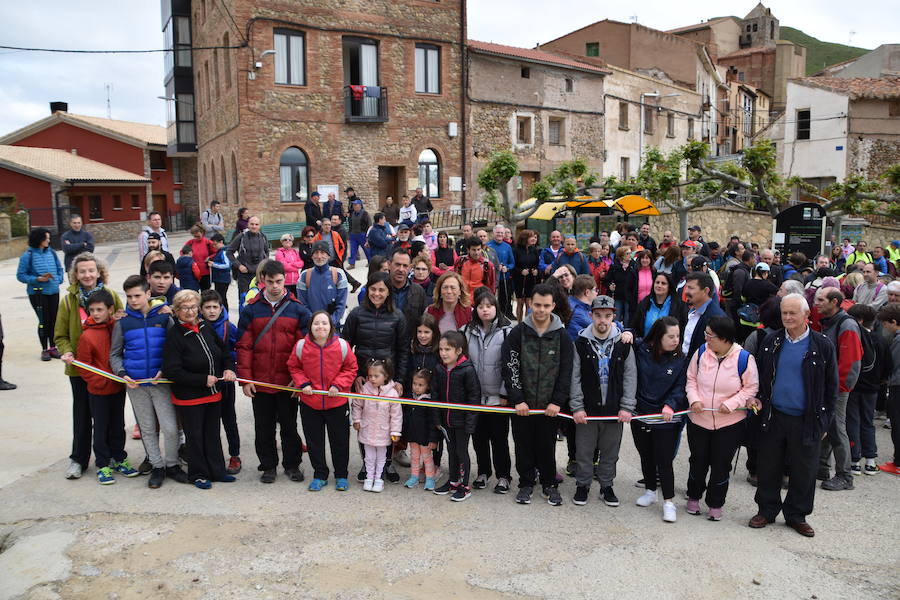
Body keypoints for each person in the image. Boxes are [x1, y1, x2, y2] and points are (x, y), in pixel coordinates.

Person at [750, 293, 838, 537]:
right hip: (774, 416)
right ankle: (766, 510)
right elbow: (759, 377)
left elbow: (832, 388)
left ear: (807, 315)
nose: (787, 318)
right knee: (768, 467)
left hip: (807, 419)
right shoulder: (771, 341)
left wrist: (825, 422)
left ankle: (797, 515)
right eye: (784, 313)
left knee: (804, 471)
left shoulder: (822, 345)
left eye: (792, 313)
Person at [236, 260, 310, 484]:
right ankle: (268, 466)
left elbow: (303, 349)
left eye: (279, 281)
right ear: (262, 281)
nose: (275, 286)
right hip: (260, 381)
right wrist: (245, 380)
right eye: (271, 282)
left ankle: (292, 464)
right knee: (263, 427)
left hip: (287, 382)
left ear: (285, 280)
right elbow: (243, 346)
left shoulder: (298, 310)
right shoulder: (251, 310)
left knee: (289, 426)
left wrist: (299, 380)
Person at [501, 283, 574, 507]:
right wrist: (518, 398)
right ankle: (526, 483)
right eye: (537, 305)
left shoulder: (562, 337)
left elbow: (566, 371)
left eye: (545, 305)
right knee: (523, 445)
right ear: (530, 304)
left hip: (548, 407)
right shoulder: (517, 333)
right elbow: (510, 367)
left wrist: (557, 402)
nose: (540, 310)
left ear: (553, 306)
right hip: (523, 405)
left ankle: (549, 483)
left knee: (547, 445)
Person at [109, 275, 185, 489]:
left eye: (138, 295)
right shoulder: (123, 322)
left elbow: (174, 347)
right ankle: (157, 465)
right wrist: (122, 373)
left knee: (170, 427)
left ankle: (172, 464)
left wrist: (165, 369)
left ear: (148, 294)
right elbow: (115, 354)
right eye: (129, 296)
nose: (133, 300)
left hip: (161, 382)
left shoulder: (162, 317)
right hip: (136, 384)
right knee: (147, 428)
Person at [55, 253, 126, 479]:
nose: (87, 275)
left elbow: (123, 326)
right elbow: (60, 335)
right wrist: (66, 351)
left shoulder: (112, 296)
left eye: (91, 270)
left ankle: (112, 456)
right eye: (82, 271)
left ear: (99, 272)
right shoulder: (68, 301)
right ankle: (79, 459)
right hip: (80, 368)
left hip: (110, 371)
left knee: (111, 417)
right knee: (83, 415)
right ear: (75, 275)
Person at [684, 316, 759, 521]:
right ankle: (693, 497)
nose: (707, 338)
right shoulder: (701, 353)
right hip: (699, 419)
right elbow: (691, 378)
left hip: (729, 423)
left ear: (725, 338)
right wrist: (694, 399)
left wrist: (732, 403)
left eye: (711, 335)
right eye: (706, 334)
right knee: (697, 461)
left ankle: (716, 503)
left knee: (721, 464)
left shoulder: (744, 358)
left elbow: (751, 387)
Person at [162, 290, 237, 489]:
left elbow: (224, 353)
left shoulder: (206, 327)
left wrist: (229, 368)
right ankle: (199, 474)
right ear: (176, 311)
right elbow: (172, 371)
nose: (190, 311)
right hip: (190, 398)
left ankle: (218, 471)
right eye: (184, 308)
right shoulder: (175, 336)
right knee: (195, 437)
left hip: (213, 395)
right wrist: (202, 379)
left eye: (193, 307)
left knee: (212, 434)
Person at [570, 295, 637, 508]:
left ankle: (607, 485)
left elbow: (630, 376)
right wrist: (577, 406)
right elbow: (575, 377)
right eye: (598, 315)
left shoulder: (624, 344)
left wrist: (627, 406)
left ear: (614, 317)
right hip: (587, 411)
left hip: (613, 410)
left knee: (610, 452)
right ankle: (583, 484)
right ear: (591, 316)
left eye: (607, 316)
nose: (603, 321)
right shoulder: (580, 343)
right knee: (584, 451)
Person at [287, 310, 358, 492]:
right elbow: (293, 366)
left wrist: (338, 385)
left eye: (324, 323)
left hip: (337, 402)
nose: (320, 327)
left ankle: (341, 475)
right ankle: (320, 474)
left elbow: (351, 368)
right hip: (311, 403)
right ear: (310, 326)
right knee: (314, 441)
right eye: (316, 323)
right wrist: (303, 383)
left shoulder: (342, 345)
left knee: (340, 441)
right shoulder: (302, 346)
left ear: (331, 326)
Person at [75, 289, 138, 484]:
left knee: (118, 426)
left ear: (110, 309)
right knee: (101, 428)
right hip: (98, 391)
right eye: (92, 310)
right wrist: (100, 382)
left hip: (118, 389)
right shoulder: (87, 336)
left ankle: (119, 458)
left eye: (100, 309)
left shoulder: (117, 328)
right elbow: (84, 367)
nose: (95, 313)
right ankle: (102, 464)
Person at [631, 316, 687, 522]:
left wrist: (671, 404)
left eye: (678, 336)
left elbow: (681, 387)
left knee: (664, 460)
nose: (675, 340)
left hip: (666, 417)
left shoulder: (681, 359)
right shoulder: (641, 349)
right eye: (670, 336)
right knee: (645, 454)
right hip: (641, 413)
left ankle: (669, 502)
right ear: (657, 337)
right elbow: (628, 333)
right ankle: (650, 491)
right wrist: (627, 332)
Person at [463, 291, 513, 495]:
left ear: (496, 308)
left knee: (499, 438)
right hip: (475, 397)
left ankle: (504, 475)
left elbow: (510, 365)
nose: (485, 309)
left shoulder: (507, 332)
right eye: (481, 306)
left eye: (489, 306)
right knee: (479, 438)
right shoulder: (466, 331)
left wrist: (505, 393)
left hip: (498, 398)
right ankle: (483, 472)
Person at [813, 287, 863, 492]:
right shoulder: (832, 322)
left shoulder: (846, 324)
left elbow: (851, 362)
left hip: (838, 388)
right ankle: (822, 467)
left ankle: (845, 475)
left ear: (834, 302)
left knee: (836, 427)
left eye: (821, 299)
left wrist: (839, 388)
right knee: (829, 424)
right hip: (831, 386)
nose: (816, 303)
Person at [430, 330, 481, 501]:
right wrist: (437, 419)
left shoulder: (467, 370)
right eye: (441, 349)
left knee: (461, 451)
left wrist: (470, 423)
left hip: (462, 422)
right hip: (446, 420)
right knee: (451, 451)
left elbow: (474, 398)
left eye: (448, 349)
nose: (443, 353)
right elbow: (435, 395)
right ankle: (453, 481)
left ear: (458, 351)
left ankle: (464, 486)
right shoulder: (439, 369)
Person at [200, 289, 242, 474]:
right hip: (205, 383)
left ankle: (234, 455)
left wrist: (230, 366)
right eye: (207, 307)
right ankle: (212, 456)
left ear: (221, 307)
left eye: (214, 307)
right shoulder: (197, 327)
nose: (211, 311)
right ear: (201, 309)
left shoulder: (228, 327)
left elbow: (238, 349)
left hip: (225, 383)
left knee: (229, 420)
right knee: (209, 423)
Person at [845, 304, 889, 476]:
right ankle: (870, 461)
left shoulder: (854, 337)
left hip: (855, 386)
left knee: (853, 421)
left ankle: (854, 461)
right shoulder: (881, 340)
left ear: (859, 320)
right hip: (872, 387)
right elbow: (887, 365)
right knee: (868, 421)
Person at [353, 359, 402, 493]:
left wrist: (396, 431)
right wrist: (356, 419)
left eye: (376, 376)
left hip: (383, 432)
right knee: (368, 456)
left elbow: (396, 415)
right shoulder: (364, 389)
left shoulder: (392, 393)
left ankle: (379, 478)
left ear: (386, 376)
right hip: (367, 429)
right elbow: (357, 405)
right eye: (370, 376)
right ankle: (369, 478)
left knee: (382, 456)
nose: (372, 379)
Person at [17, 227, 65, 360]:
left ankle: (53, 347)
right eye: (46, 238)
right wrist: (36, 279)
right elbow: (21, 275)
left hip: (53, 291)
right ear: (39, 239)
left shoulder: (52, 253)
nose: (49, 240)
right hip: (38, 293)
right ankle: (44, 349)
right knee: (44, 321)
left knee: (54, 320)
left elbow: (60, 268)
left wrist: (59, 279)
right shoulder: (28, 255)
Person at [402, 369, 440, 490]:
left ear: (427, 386)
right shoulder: (410, 399)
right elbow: (407, 419)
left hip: (425, 437)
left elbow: (434, 423)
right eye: (414, 384)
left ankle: (430, 478)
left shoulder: (429, 401)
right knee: (414, 456)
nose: (416, 387)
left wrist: (433, 439)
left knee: (427, 457)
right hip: (413, 436)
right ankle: (414, 476)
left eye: (420, 385)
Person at [298, 241, 349, 328]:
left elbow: (341, 303)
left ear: (328, 255)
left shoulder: (338, 274)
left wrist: (331, 322)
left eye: (323, 252)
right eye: (316, 253)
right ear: (312, 256)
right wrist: (315, 323)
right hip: (313, 327)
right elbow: (303, 304)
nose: (319, 256)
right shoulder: (304, 275)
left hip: (333, 326)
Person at [876, 303, 900, 475]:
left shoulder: (898, 339)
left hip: (897, 385)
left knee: (897, 423)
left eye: (885, 323)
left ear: (893, 321)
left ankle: (898, 462)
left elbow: (893, 363)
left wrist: (885, 378)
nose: (884, 327)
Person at [227, 216, 269, 311]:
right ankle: (243, 323)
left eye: (256, 224)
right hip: (244, 275)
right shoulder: (241, 237)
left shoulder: (263, 237)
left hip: (258, 275)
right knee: (244, 301)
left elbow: (267, 252)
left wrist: (263, 264)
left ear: (260, 225)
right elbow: (229, 252)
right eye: (252, 224)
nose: (254, 226)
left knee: (259, 300)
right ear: (248, 225)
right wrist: (239, 265)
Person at [682, 272, 728, 359]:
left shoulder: (716, 317)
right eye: (686, 287)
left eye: (691, 288)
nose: (686, 291)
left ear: (706, 291)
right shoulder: (691, 311)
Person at [630, 272, 687, 338]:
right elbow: (635, 326)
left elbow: (683, 329)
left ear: (669, 286)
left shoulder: (679, 305)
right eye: (657, 282)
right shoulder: (645, 303)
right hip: (645, 346)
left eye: (663, 283)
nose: (659, 286)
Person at [487, 225, 515, 317]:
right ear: (494, 233)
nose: (499, 234)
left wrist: (507, 268)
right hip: (491, 278)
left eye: (501, 233)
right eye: (498, 232)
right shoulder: (488, 246)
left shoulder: (507, 247)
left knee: (504, 300)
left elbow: (512, 263)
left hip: (504, 277)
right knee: (491, 299)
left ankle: (503, 318)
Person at [512, 229, 540, 322]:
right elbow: (513, 265)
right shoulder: (516, 250)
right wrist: (520, 271)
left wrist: (536, 270)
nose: (533, 239)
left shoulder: (534, 250)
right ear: (525, 238)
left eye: (534, 237)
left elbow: (537, 264)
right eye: (531, 237)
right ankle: (519, 323)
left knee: (529, 302)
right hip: (519, 279)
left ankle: (528, 323)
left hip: (531, 279)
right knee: (520, 302)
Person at [604, 246, 633, 326]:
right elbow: (607, 280)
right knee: (617, 316)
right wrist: (610, 285)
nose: (630, 255)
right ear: (621, 255)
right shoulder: (614, 267)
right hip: (617, 296)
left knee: (628, 318)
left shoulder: (633, 266)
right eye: (628, 253)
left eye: (631, 253)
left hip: (629, 296)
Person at [567, 274, 598, 341]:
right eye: (595, 290)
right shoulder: (576, 311)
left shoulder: (582, 307)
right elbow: (601, 327)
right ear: (587, 292)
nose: (596, 293)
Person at [207, 234, 232, 311]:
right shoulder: (220, 252)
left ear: (221, 242)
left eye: (215, 244)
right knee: (220, 297)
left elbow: (227, 265)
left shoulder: (224, 252)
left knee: (222, 297)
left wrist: (214, 264)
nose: (214, 246)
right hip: (219, 278)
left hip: (223, 279)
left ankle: (225, 314)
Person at [275, 234, 304, 298]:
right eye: (285, 240)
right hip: (285, 282)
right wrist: (296, 268)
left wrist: (291, 263)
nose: (287, 241)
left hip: (296, 282)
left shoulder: (295, 252)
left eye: (290, 240)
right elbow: (284, 266)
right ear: (282, 242)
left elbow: (301, 263)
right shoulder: (279, 252)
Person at [347, 200, 372, 267]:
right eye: (354, 205)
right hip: (353, 235)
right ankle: (352, 264)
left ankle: (370, 262)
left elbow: (369, 225)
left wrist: (368, 236)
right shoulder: (352, 214)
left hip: (362, 234)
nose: (354, 206)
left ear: (360, 205)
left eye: (356, 205)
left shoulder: (365, 214)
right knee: (353, 250)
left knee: (366, 249)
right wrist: (349, 233)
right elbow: (350, 224)